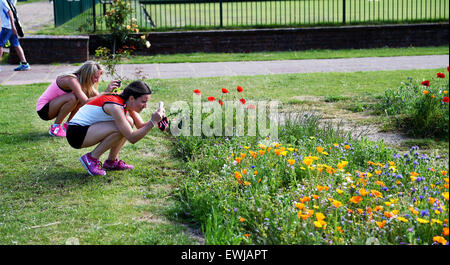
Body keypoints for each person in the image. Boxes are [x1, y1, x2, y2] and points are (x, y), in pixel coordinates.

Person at [66, 80, 165, 176]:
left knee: (128, 122)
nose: (145, 106)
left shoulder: (125, 101)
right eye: (143, 101)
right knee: (121, 127)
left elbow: (140, 126)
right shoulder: (116, 106)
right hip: (76, 134)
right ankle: (91, 158)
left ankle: (111, 162)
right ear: (131, 98)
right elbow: (132, 137)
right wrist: (152, 122)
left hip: (86, 130)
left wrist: (157, 120)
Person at [36, 61, 120, 137]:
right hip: (44, 110)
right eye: (95, 77)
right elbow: (86, 102)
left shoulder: (83, 81)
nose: (96, 80)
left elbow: (96, 99)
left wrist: (110, 93)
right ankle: (55, 128)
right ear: (87, 75)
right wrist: (105, 93)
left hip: (53, 107)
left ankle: (68, 125)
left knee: (80, 97)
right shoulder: (71, 80)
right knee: (73, 98)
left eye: (98, 77)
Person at [0, 0, 30, 71]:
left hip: (8, 27)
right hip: (10, 26)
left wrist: (13, 27)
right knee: (16, 44)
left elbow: (10, 12)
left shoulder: (2, 1)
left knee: (0, 45)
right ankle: (24, 63)